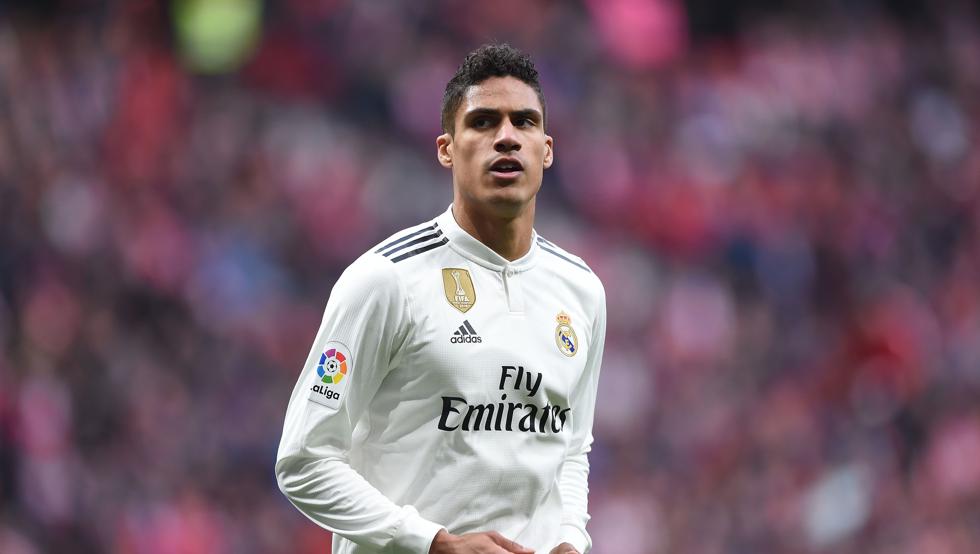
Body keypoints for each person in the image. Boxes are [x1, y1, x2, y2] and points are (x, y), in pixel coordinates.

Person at [276, 43, 606, 554]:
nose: (505, 138)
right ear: (446, 148)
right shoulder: (386, 280)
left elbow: (570, 448)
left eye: (524, 122)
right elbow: (303, 461)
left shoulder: (581, 290)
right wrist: (432, 543)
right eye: (482, 122)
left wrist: (569, 538)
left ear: (546, 149)